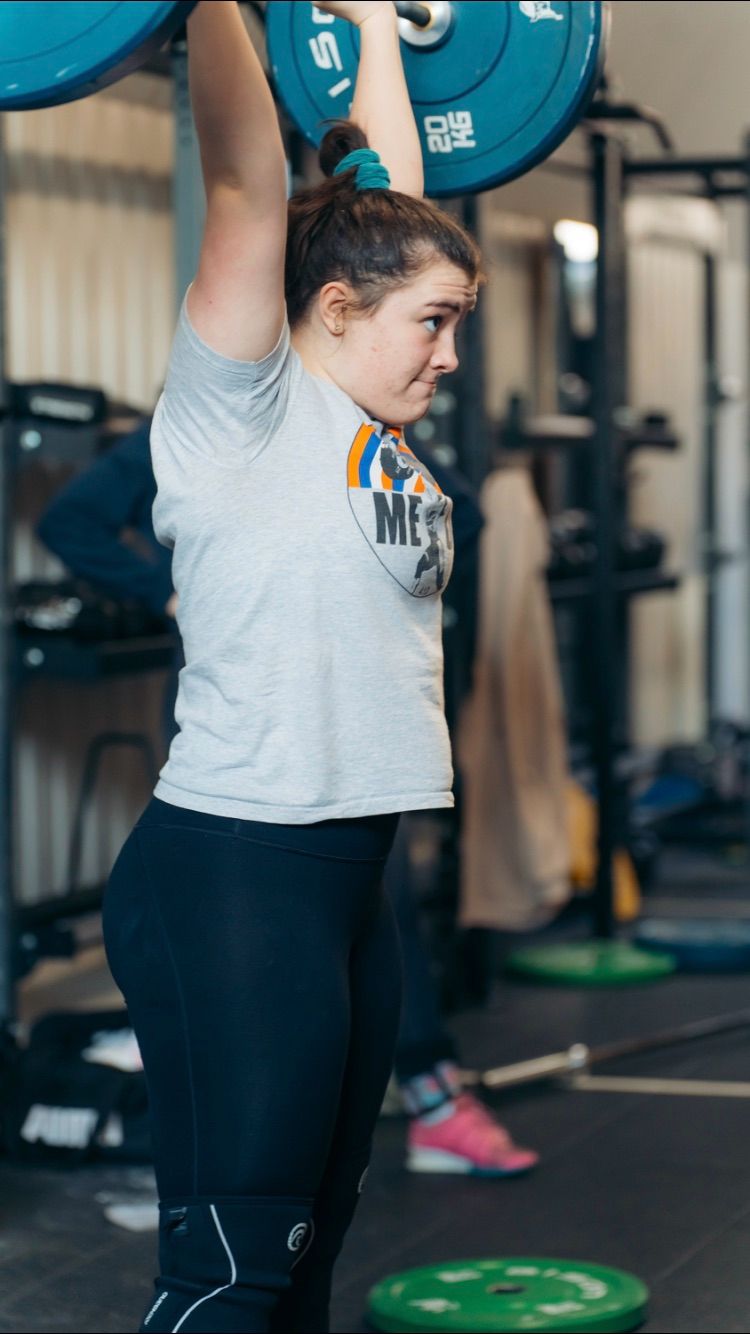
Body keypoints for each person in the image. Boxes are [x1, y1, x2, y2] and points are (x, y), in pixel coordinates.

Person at [100, 1, 488, 1327]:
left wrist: (372, 20)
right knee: (231, 1271)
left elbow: (393, 208)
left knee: (306, 1259)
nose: (449, 353)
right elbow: (244, 185)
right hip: (234, 872)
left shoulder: (374, 426)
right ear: (333, 309)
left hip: (346, 883)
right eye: (434, 323)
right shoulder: (245, 408)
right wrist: (214, 7)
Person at [38, 423, 539, 1180]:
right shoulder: (195, 428)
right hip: (230, 710)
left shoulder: (352, 430)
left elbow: (458, 516)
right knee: (235, 914)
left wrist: (373, 591)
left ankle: (431, 1098)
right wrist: (168, 591)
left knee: (374, 894)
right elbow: (69, 521)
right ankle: (260, 1124)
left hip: (339, 699)